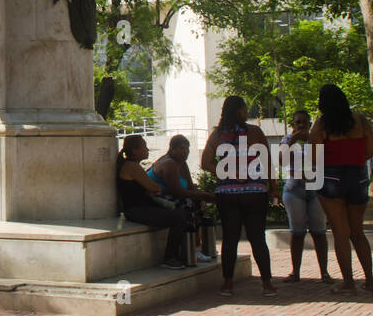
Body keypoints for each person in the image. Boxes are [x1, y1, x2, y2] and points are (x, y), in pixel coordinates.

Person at [200, 96, 277, 296]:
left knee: (230, 238)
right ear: (241, 111)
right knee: (257, 237)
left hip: (227, 193)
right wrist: (273, 188)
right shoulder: (255, 132)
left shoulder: (217, 135)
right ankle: (267, 283)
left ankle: (227, 283)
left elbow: (205, 162)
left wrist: (225, 172)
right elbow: (268, 162)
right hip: (255, 191)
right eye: (244, 108)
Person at [311, 83, 373, 294]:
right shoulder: (361, 121)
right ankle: (370, 280)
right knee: (357, 231)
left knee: (340, 231)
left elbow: (314, 157)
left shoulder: (321, 125)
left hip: (331, 177)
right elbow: (369, 152)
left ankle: (348, 282)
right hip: (357, 176)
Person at [116, 135, 191, 269]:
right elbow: (154, 187)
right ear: (135, 150)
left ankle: (183, 253)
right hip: (136, 210)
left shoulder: (133, 166)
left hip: (140, 207)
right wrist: (151, 189)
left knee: (180, 212)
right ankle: (169, 257)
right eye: (144, 146)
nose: (147, 149)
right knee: (178, 217)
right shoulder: (132, 167)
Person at [280, 109, 333, 283]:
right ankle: (295, 272)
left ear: (310, 124)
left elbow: (325, 160)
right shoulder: (287, 140)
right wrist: (292, 141)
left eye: (304, 122)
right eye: (298, 122)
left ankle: (324, 272)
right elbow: (281, 161)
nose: (301, 125)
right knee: (297, 232)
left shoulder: (317, 139)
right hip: (295, 188)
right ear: (293, 125)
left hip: (316, 188)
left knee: (319, 231)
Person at [148, 135, 217, 263]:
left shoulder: (182, 164)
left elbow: (191, 187)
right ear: (172, 149)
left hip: (170, 197)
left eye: (187, 148)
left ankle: (195, 246)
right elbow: (176, 191)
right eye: (181, 148)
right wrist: (206, 196)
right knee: (188, 203)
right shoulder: (169, 163)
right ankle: (187, 249)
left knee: (197, 202)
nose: (185, 152)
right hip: (155, 199)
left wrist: (202, 197)